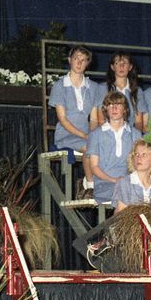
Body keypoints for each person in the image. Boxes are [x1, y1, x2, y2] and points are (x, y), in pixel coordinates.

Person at [47, 45, 102, 199]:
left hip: (87, 134)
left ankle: (87, 182)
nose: (79, 62)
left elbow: (94, 119)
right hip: (66, 134)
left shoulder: (94, 87)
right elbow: (63, 119)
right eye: (76, 58)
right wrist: (85, 136)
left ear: (87, 64)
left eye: (83, 60)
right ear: (70, 60)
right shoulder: (59, 86)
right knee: (89, 146)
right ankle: (91, 187)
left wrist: (92, 134)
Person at [87, 92, 142, 204]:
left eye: (118, 105)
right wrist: (114, 180)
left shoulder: (135, 134)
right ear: (105, 109)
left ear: (125, 109)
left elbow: (139, 164)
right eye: (110, 105)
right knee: (124, 192)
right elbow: (94, 167)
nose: (114, 108)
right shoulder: (96, 134)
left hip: (130, 184)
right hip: (105, 185)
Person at [98, 51, 144, 131]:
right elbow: (101, 119)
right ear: (112, 67)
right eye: (117, 63)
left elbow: (138, 122)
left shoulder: (137, 91)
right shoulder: (102, 88)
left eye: (125, 63)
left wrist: (135, 137)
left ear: (130, 67)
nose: (121, 66)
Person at [111, 140, 151, 211]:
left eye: (144, 154)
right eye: (137, 154)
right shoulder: (124, 184)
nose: (139, 158)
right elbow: (121, 217)